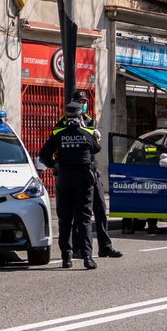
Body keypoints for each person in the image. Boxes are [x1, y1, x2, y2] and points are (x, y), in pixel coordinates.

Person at [54, 91, 121, 259]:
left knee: (100, 208)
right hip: (73, 171)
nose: (83, 104)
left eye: (84, 101)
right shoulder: (63, 122)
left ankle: (105, 246)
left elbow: (94, 146)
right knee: (78, 213)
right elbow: (56, 141)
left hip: (91, 168)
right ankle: (78, 247)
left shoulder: (90, 120)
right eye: (80, 101)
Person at [38, 100, 100, 270]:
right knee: (84, 219)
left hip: (64, 178)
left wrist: (55, 165)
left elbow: (43, 155)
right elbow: (97, 148)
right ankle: (87, 258)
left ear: (65, 116)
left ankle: (66, 258)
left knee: (65, 219)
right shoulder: (87, 132)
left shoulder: (58, 133)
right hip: (83, 178)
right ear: (80, 116)